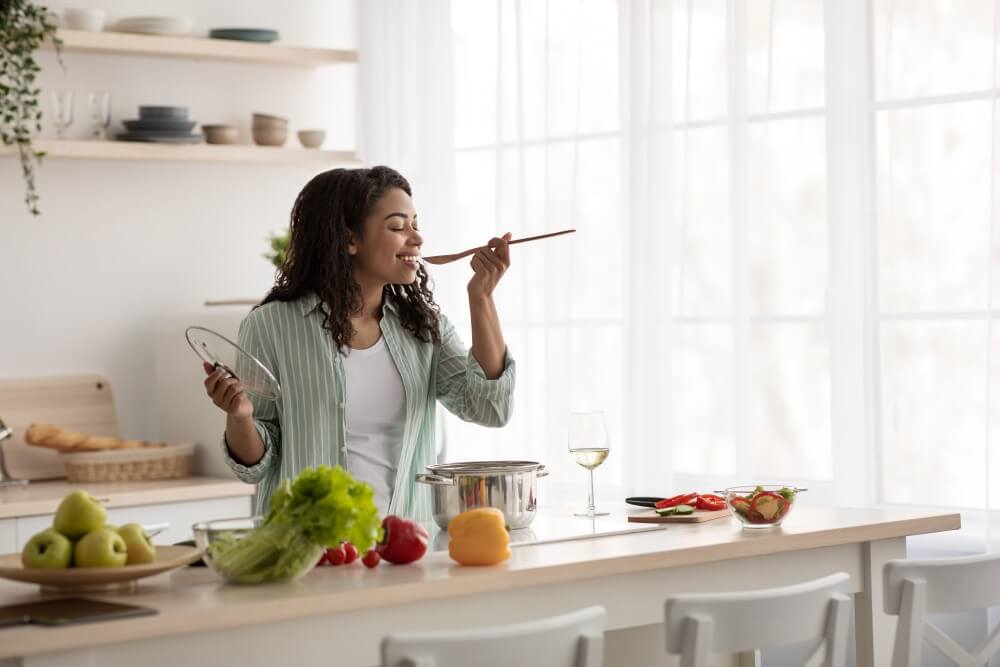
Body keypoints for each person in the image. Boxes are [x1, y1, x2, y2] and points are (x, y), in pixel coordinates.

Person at [201, 166, 516, 521]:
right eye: (398, 227)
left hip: (405, 547)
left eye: (416, 224)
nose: (416, 238)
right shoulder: (271, 326)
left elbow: (489, 409)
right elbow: (255, 467)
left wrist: (482, 299)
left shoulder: (424, 329)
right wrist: (240, 417)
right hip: (309, 551)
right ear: (350, 240)